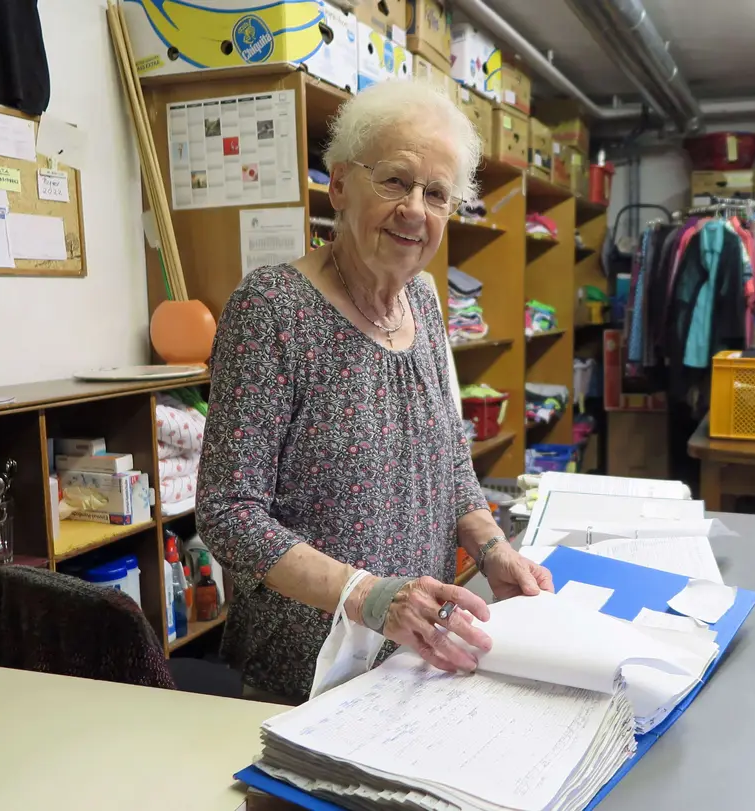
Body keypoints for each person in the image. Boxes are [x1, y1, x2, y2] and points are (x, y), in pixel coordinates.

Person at [196, 80, 553, 704]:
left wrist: (494, 550)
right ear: (338, 185)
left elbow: (446, 458)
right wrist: (369, 596)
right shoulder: (272, 310)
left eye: (436, 193)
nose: (415, 208)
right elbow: (229, 514)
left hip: (416, 653)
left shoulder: (423, 300)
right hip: (307, 670)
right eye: (394, 180)